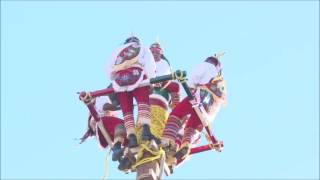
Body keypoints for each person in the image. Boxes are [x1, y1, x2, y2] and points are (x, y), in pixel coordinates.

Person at [161, 54, 227, 164]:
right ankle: (186, 144)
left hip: (196, 97)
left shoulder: (206, 66)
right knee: (190, 127)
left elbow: (194, 77)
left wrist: (189, 88)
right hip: (206, 112)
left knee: (176, 113)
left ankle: (168, 139)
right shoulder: (220, 84)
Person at [106, 36, 157, 149]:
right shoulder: (142, 47)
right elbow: (150, 65)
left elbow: (109, 70)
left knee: (127, 110)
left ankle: (132, 136)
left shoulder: (117, 50)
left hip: (119, 81)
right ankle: (146, 130)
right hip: (137, 76)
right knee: (143, 103)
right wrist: (150, 81)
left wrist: (116, 77)